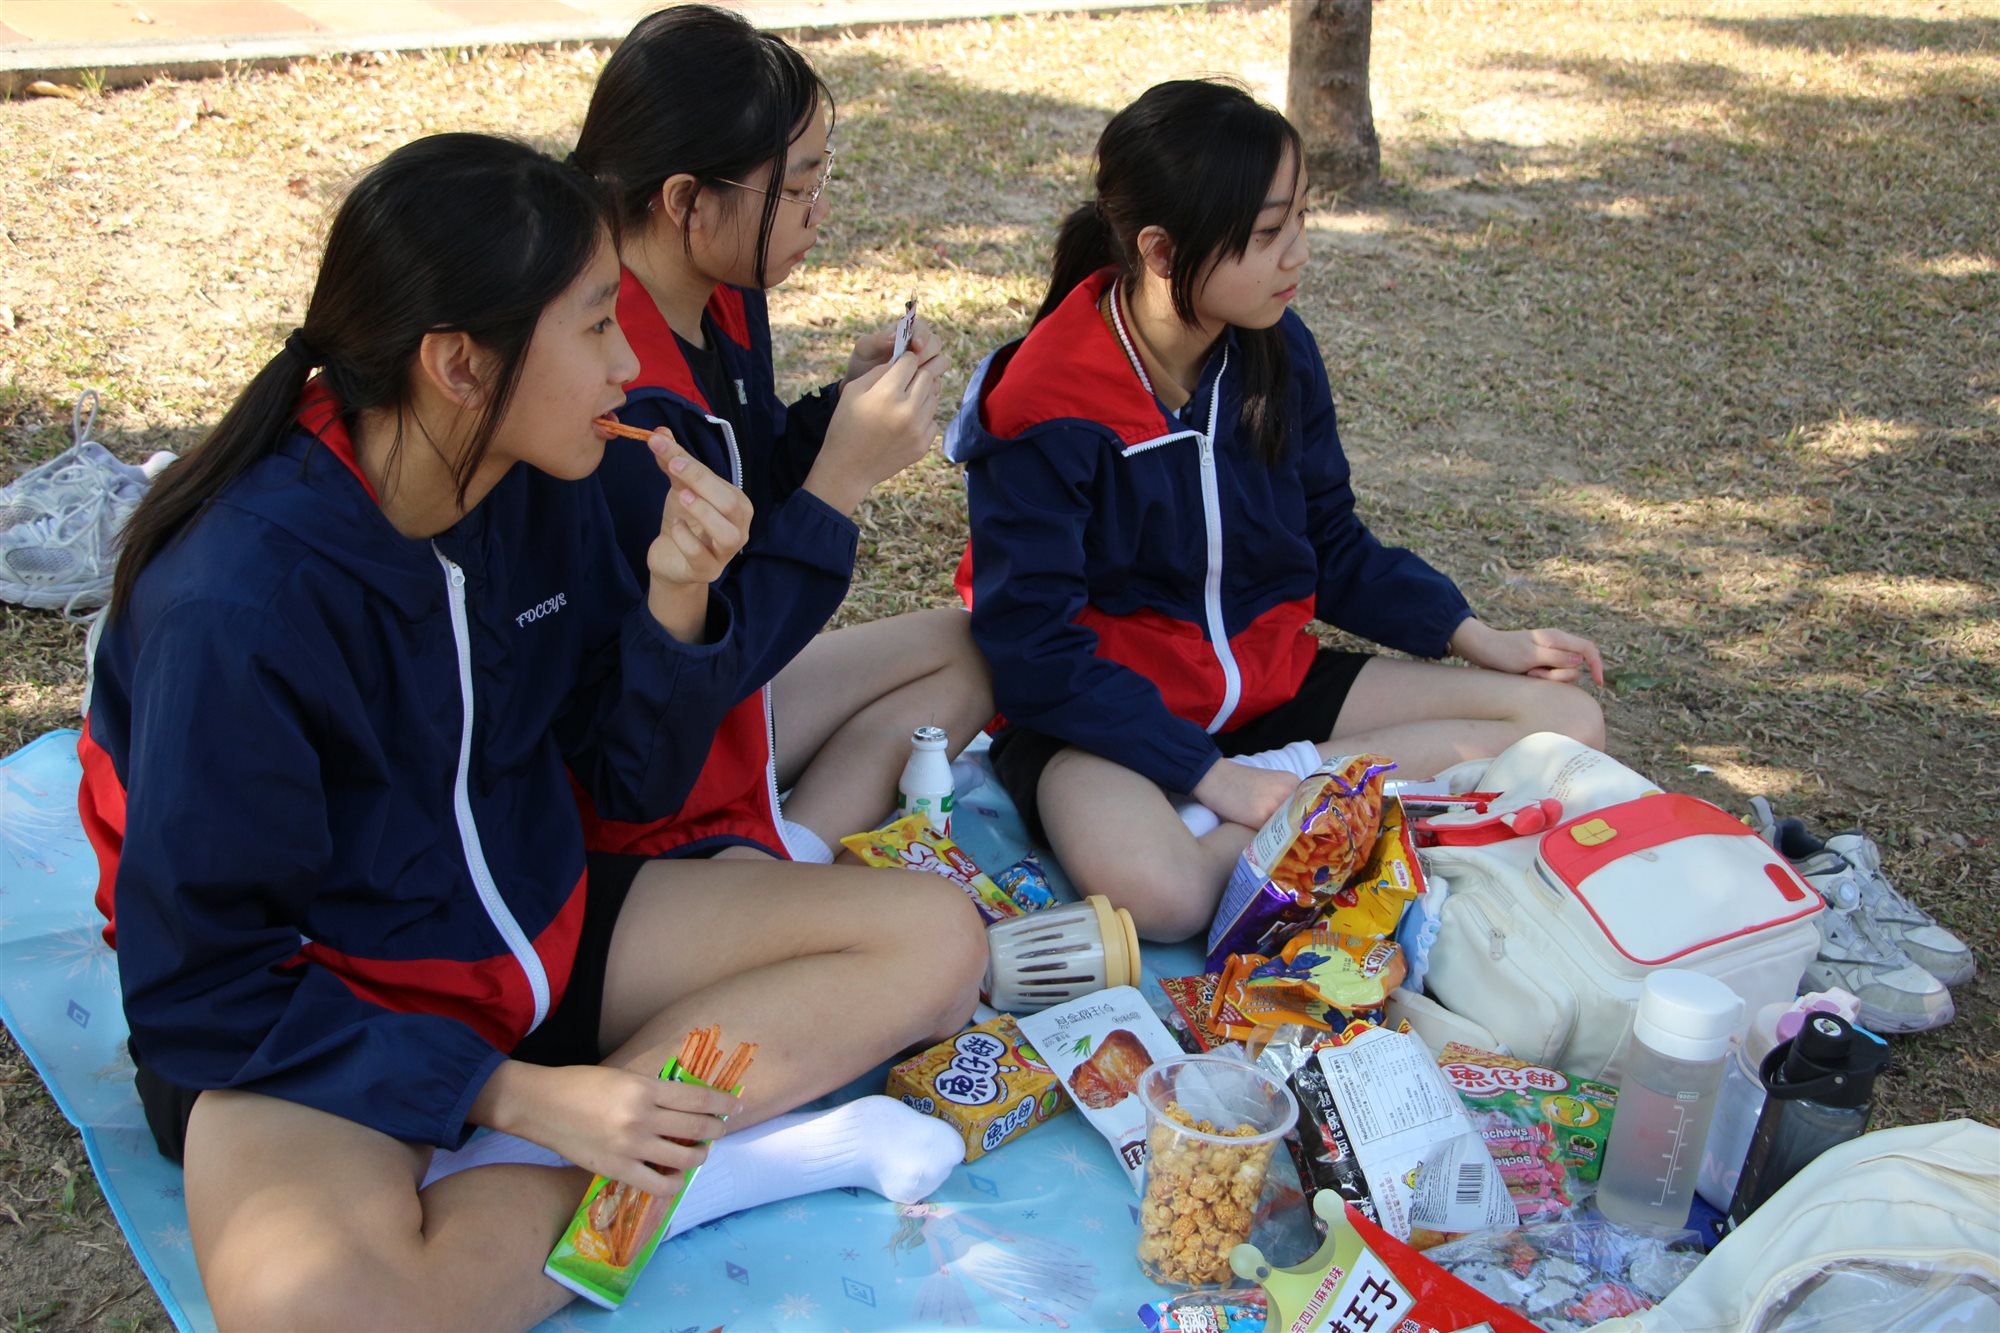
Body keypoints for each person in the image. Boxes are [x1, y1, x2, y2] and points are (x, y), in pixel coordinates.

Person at [76, 134, 984, 1330]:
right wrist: (514, 1095)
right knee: (324, 1313)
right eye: (598, 324)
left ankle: (621, 1162)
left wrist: (674, 603)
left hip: (526, 930)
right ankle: (686, 1161)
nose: (628, 363)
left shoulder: (551, 475)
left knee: (934, 940)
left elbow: (626, 785)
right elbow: (202, 988)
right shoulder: (238, 604)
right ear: (459, 363)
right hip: (327, 1014)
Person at [949, 81, 1607, 942]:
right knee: (1164, 896)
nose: (1298, 252)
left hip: (1270, 694)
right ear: (1160, 250)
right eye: (1267, 234)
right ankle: (1304, 808)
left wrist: (1473, 635)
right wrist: (1209, 774)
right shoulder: (1045, 400)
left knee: (1567, 723)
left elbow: (1328, 540)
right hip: (1107, 725)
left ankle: (1296, 793)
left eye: (1301, 217)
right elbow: (1034, 649)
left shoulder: (1277, 350)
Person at [571, 5, 992, 864]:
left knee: (978, 644)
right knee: (929, 932)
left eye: (818, 178)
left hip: (724, 703)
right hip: (642, 766)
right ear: (685, 200)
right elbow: (693, 659)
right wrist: (839, 482)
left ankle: (792, 849)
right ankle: (757, 874)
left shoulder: (720, 293)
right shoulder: (618, 401)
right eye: (796, 189)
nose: (818, 212)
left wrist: (838, 412)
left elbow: (749, 468)